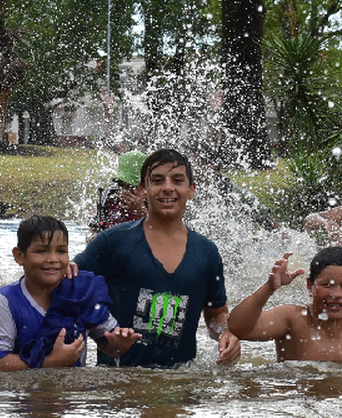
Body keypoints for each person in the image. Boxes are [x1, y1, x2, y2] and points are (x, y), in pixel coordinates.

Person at [72, 147, 241, 368]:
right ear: (143, 189)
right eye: (158, 180)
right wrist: (100, 331)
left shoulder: (207, 252)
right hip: (119, 384)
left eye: (178, 180)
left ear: (191, 190)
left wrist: (225, 334)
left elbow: (216, 313)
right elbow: (67, 281)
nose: (168, 188)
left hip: (180, 385)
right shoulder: (113, 242)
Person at [0, 215, 140, 370]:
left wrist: (120, 344)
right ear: (19, 256)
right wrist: (49, 363)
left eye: (61, 251)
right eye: (42, 251)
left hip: (72, 395)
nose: (53, 259)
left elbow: (110, 346)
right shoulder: (6, 301)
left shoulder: (81, 293)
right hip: (25, 396)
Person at [227, 246, 342, 364]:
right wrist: (269, 288)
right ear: (310, 286)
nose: (336, 295)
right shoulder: (292, 319)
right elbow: (239, 327)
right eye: (326, 285)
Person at [90, 151, 147, 236]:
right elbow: (94, 229)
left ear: (144, 186)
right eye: (121, 184)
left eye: (131, 186)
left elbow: (160, 234)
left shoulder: (153, 201)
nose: (124, 190)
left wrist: (140, 210)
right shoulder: (109, 194)